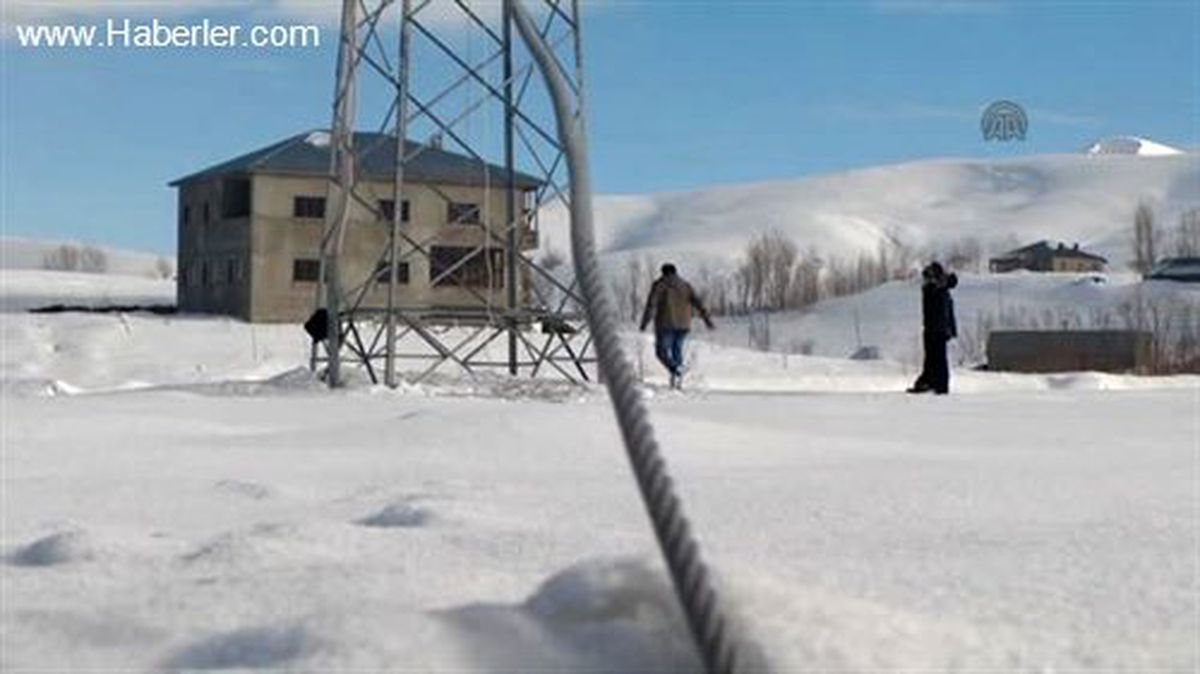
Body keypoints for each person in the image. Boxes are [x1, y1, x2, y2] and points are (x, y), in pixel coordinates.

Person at [639, 263, 714, 388]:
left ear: (663, 272)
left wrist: (644, 323)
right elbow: (698, 302)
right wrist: (707, 319)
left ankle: (676, 369)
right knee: (676, 350)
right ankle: (677, 379)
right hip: (684, 324)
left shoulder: (659, 285)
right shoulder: (685, 285)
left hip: (665, 324)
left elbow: (651, 305)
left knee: (661, 352)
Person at [908, 261, 958, 395]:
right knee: (932, 358)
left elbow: (952, 281)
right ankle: (928, 382)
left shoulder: (940, 289)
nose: (926, 280)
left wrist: (950, 330)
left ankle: (940, 386)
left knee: (938, 359)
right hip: (931, 328)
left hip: (938, 329)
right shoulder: (931, 289)